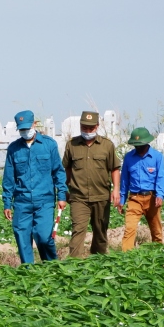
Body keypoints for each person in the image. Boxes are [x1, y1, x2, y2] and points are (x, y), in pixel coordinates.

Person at [2, 110, 66, 264]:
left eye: (27, 127)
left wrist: (62, 195)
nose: (25, 132)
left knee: (44, 237)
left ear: (34, 124)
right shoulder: (13, 149)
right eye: (21, 129)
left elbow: (58, 171)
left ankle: (52, 267)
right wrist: (6, 202)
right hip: (22, 201)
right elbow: (9, 177)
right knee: (23, 239)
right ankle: (29, 274)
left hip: (44, 200)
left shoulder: (49, 144)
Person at [63, 110, 120, 257]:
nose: (87, 131)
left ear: (97, 126)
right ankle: (75, 267)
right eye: (84, 127)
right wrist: (65, 189)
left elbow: (114, 168)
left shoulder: (107, 145)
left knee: (100, 232)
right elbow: (67, 168)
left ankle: (98, 264)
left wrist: (116, 190)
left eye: (91, 128)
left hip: (101, 196)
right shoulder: (72, 145)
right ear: (80, 126)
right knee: (78, 231)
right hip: (78, 197)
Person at [119, 127, 164, 251]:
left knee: (156, 230)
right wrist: (122, 200)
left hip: (152, 198)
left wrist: (160, 195)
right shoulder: (128, 157)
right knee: (129, 229)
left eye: (141, 145)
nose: (138, 147)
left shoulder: (157, 157)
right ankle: (125, 259)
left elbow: (161, 177)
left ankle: (158, 257)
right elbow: (124, 179)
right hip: (135, 199)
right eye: (136, 145)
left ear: (147, 142)